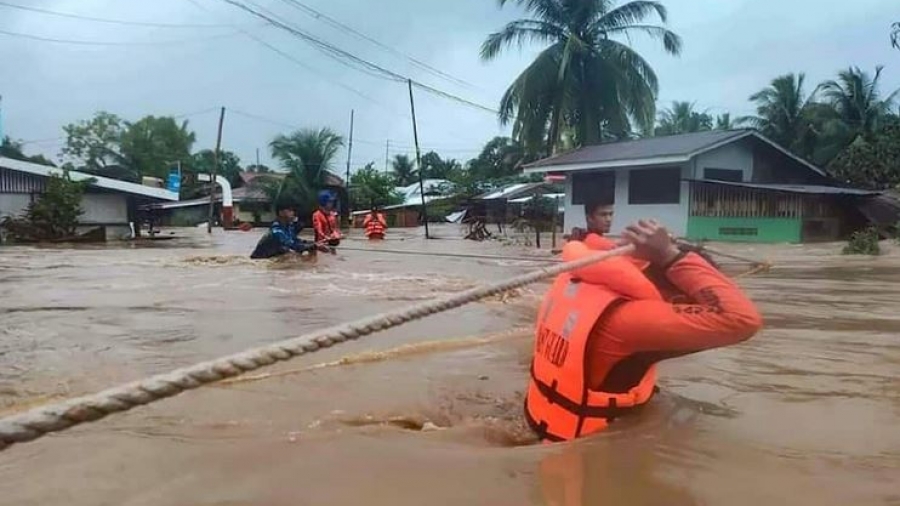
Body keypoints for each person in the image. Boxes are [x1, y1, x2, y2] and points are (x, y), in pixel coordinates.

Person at [525, 219, 762, 443]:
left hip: (543, 421)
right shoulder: (631, 321)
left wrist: (659, 251)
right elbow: (741, 320)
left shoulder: (590, 285)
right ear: (679, 297)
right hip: (593, 447)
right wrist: (670, 255)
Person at [250, 203, 318, 259]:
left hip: (275, 255)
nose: (293, 213)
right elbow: (293, 245)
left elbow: (296, 240)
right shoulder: (276, 231)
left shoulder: (289, 227)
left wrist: (314, 243)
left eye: (293, 210)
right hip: (260, 259)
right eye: (290, 210)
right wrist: (313, 246)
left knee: (304, 251)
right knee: (292, 254)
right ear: (281, 213)